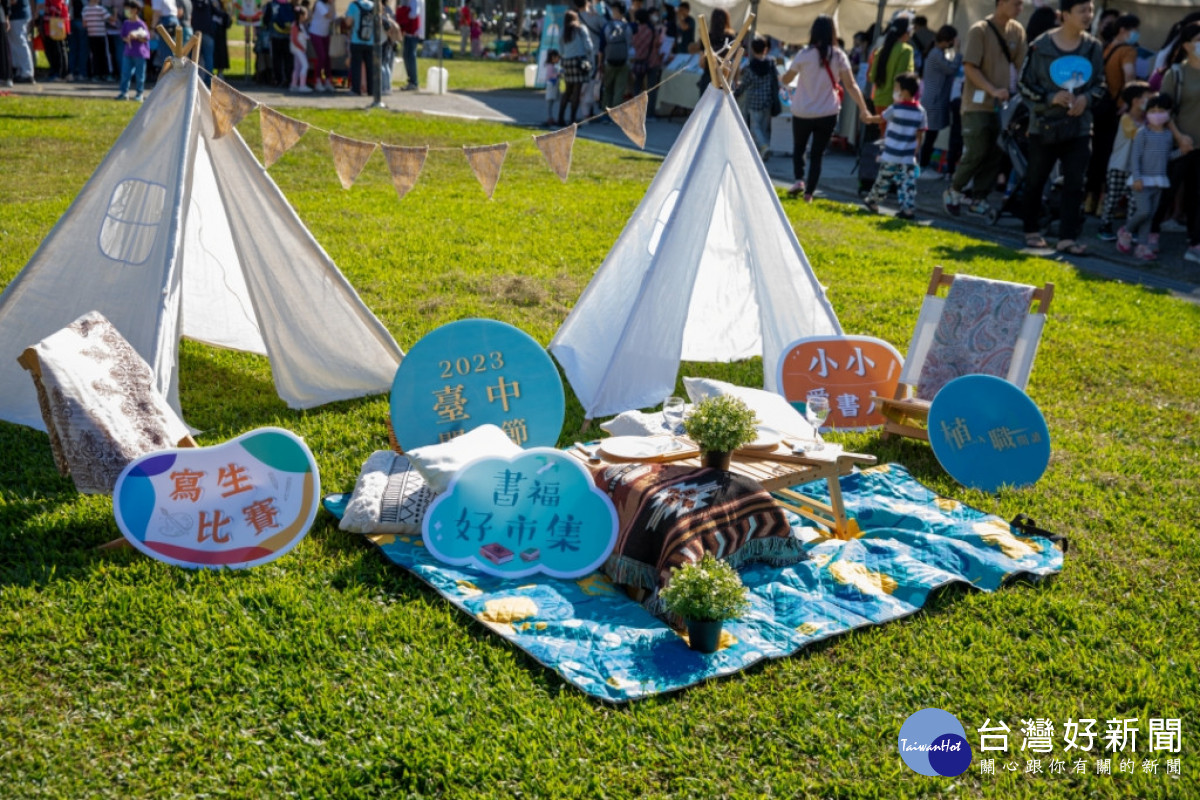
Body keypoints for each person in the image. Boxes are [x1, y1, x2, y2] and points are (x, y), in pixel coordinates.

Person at [1017, 0, 1104, 254]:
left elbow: (1100, 84)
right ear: (1065, 14)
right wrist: (1049, 97)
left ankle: (1068, 238)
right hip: (1044, 125)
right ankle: (1031, 230)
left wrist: (1086, 99)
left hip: (1079, 126)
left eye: (1090, 10)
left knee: (1075, 182)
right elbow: (1024, 84)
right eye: (1082, 10)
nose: (1088, 15)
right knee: (1036, 179)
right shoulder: (1040, 45)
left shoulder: (1093, 47)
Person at [781, 14, 879, 202]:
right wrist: (864, 109)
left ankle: (799, 180)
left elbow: (787, 78)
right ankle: (809, 193)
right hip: (828, 112)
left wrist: (782, 78)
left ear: (813, 32)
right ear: (833, 32)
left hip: (802, 110)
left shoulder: (804, 54)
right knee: (817, 154)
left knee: (799, 147)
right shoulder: (839, 56)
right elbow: (851, 85)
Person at [943, 0, 1026, 219]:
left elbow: (1021, 66)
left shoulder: (1017, 31)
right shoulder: (980, 29)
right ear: (1002, 3)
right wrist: (992, 89)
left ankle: (978, 198)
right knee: (977, 149)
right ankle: (954, 190)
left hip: (1006, 107)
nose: (1021, 8)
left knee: (996, 152)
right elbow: (969, 67)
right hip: (977, 104)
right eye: (1017, 4)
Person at [1085, 12, 1139, 215]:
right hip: (1116, 109)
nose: (1136, 34)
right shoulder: (1127, 51)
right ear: (1124, 30)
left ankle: (1089, 199)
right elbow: (1130, 76)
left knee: (1096, 155)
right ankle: (1104, 203)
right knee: (1112, 158)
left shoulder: (1104, 47)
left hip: (1099, 108)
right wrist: (1129, 101)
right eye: (1134, 30)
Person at [1155, 22, 1200, 263]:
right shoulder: (1176, 73)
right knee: (1168, 191)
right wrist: (1179, 137)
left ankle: (1195, 243)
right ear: (1186, 45)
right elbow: (1165, 110)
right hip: (1179, 143)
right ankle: (1149, 234)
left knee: (1197, 196)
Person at [1118, 94, 1175, 261]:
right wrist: (1137, 177)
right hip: (1141, 180)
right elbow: (1135, 156)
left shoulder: (1168, 135)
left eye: (1161, 111)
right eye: (1153, 110)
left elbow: (1167, 156)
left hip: (1159, 181)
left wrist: (1183, 152)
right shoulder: (1142, 133)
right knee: (1144, 211)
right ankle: (1126, 230)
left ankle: (1142, 246)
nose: (1156, 114)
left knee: (1150, 215)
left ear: (1168, 113)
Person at [863, 71, 926, 220]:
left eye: (896, 88)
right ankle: (907, 210)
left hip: (891, 154)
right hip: (908, 157)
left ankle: (873, 202)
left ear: (904, 92)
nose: (895, 91)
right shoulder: (921, 112)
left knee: (883, 180)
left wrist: (868, 118)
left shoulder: (895, 108)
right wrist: (916, 151)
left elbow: (881, 119)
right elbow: (920, 134)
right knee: (908, 185)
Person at [1098, 81, 1151, 241]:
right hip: (1119, 166)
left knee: (1134, 201)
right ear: (1135, 100)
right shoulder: (1126, 119)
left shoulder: (1146, 121)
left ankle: (1129, 229)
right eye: (1147, 98)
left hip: (1136, 169)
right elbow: (1134, 134)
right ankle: (1105, 225)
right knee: (1113, 197)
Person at [919, 25, 961, 175]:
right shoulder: (936, 54)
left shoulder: (936, 52)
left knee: (931, 135)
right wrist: (958, 52)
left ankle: (923, 164)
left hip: (934, 99)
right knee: (930, 135)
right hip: (934, 100)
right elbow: (951, 69)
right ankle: (923, 165)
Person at [735, 36, 776, 160]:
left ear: (752, 50)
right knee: (763, 128)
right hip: (768, 101)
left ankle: (764, 146)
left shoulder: (750, 67)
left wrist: (736, 93)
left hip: (754, 102)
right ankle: (762, 152)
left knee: (755, 127)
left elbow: (745, 84)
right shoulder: (771, 63)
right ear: (765, 49)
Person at [869, 14, 914, 115]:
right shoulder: (906, 50)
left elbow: (872, 77)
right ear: (906, 32)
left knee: (884, 131)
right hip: (896, 103)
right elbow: (901, 79)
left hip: (879, 100)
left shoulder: (881, 50)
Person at [556, 8, 593, 126]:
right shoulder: (581, 29)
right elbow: (589, 46)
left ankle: (560, 117)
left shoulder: (563, 31)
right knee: (577, 91)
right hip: (579, 62)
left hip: (567, 61)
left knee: (567, 91)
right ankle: (572, 119)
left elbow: (560, 49)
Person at [600, 0, 631, 112]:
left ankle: (604, 112)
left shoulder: (607, 26)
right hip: (624, 61)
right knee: (619, 88)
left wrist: (600, 63)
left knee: (607, 88)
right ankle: (615, 113)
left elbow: (602, 46)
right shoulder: (627, 27)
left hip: (609, 60)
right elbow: (629, 44)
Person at [116, 0, 148, 99]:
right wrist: (128, 38)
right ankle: (124, 93)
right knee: (125, 74)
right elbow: (123, 36)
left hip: (139, 53)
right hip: (128, 52)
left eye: (128, 9)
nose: (126, 11)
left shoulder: (141, 24)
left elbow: (145, 38)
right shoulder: (126, 23)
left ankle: (139, 94)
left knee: (140, 75)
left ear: (135, 10)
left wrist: (136, 37)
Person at [696, 7, 733, 93]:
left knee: (705, 106)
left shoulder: (706, 37)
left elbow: (701, 64)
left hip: (708, 78)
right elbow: (734, 63)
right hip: (725, 79)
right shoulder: (731, 37)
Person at [342, 0, 373, 95]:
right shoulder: (374, 5)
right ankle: (371, 90)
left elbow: (348, 22)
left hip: (356, 40)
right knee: (370, 66)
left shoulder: (353, 5)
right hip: (370, 41)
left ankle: (356, 90)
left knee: (356, 66)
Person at [42, 0, 73, 81]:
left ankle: (61, 73)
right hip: (53, 24)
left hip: (57, 24)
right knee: (55, 49)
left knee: (59, 49)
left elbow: (57, 8)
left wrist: (49, 9)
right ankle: (58, 72)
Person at [7, 0, 35, 83]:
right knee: (15, 44)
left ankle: (27, 72)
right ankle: (20, 70)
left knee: (20, 44)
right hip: (20, 14)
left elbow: (13, 1)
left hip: (18, 16)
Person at [396, 0, 420, 91]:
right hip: (409, 31)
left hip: (412, 31)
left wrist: (403, 13)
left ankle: (413, 82)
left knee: (410, 56)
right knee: (407, 56)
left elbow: (414, 14)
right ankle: (412, 81)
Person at [309, 0, 333, 89]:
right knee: (321, 57)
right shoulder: (319, 4)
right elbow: (328, 15)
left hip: (325, 34)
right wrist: (333, 4)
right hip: (316, 33)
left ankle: (328, 81)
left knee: (327, 57)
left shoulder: (328, 5)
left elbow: (334, 18)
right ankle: (318, 81)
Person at [289, 3, 310, 90]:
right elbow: (294, 39)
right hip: (298, 49)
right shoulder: (295, 25)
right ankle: (302, 85)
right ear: (301, 15)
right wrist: (302, 48)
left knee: (297, 67)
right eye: (305, 14)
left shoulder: (300, 25)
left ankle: (294, 85)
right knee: (305, 66)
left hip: (299, 49)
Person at [543, 48, 561, 125]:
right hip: (551, 86)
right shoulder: (550, 66)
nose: (558, 60)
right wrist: (557, 74)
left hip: (554, 86)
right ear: (553, 57)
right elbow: (549, 76)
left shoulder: (553, 66)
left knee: (553, 102)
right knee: (550, 103)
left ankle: (551, 117)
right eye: (557, 58)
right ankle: (549, 118)